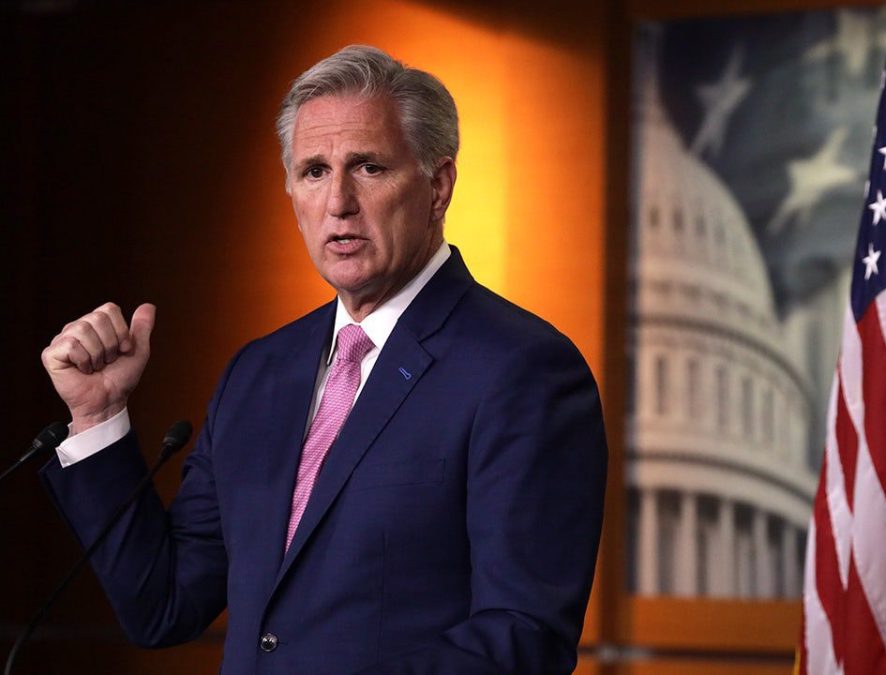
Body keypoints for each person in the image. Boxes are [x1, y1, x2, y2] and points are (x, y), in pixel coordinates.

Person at [38, 45, 607, 675]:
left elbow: (522, 637)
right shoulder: (258, 374)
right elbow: (164, 605)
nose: (338, 201)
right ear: (291, 192)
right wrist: (99, 417)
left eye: (368, 167)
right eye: (314, 171)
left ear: (438, 186)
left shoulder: (522, 370)